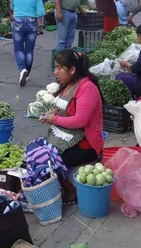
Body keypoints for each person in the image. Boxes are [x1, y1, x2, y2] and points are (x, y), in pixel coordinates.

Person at [39, 49, 105, 203]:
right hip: (67, 136)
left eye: (59, 68)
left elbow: (80, 121)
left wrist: (54, 120)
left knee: (48, 160)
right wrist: (52, 112)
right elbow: (65, 108)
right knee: (36, 151)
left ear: (73, 69)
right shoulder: (68, 84)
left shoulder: (87, 88)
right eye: (55, 68)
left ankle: (71, 188)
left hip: (86, 144)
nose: (55, 72)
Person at [10, 0, 45, 87]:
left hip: (18, 22)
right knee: (29, 50)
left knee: (18, 49)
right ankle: (27, 73)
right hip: (31, 23)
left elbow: (12, 8)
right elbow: (40, 13)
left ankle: (22, 69)